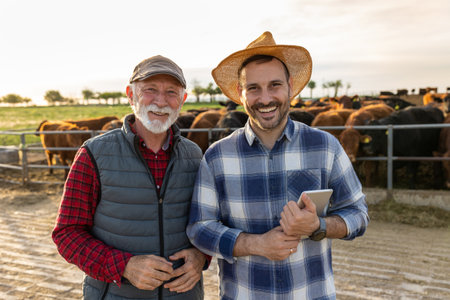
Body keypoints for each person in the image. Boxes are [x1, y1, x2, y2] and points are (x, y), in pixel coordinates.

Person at [187, 32, 369, 299]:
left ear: (290, 86)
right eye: (253, 88)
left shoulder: (325, 146)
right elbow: (199, 227)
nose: (265, 98)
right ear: (240, 93)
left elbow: (359, 214)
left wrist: (317, 226)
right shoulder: (217, 157)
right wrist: (256, 244)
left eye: (274, 85)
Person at [52, 55, 207, 299]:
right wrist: (123, 265)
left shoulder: (194, 155)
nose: (160, 101)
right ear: (130, 94)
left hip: (184, 294)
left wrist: (202, 256)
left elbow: (208, 222)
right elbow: (67, 234)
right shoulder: (94, 154)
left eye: (171, 92)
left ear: (183, 100)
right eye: (150, 90)